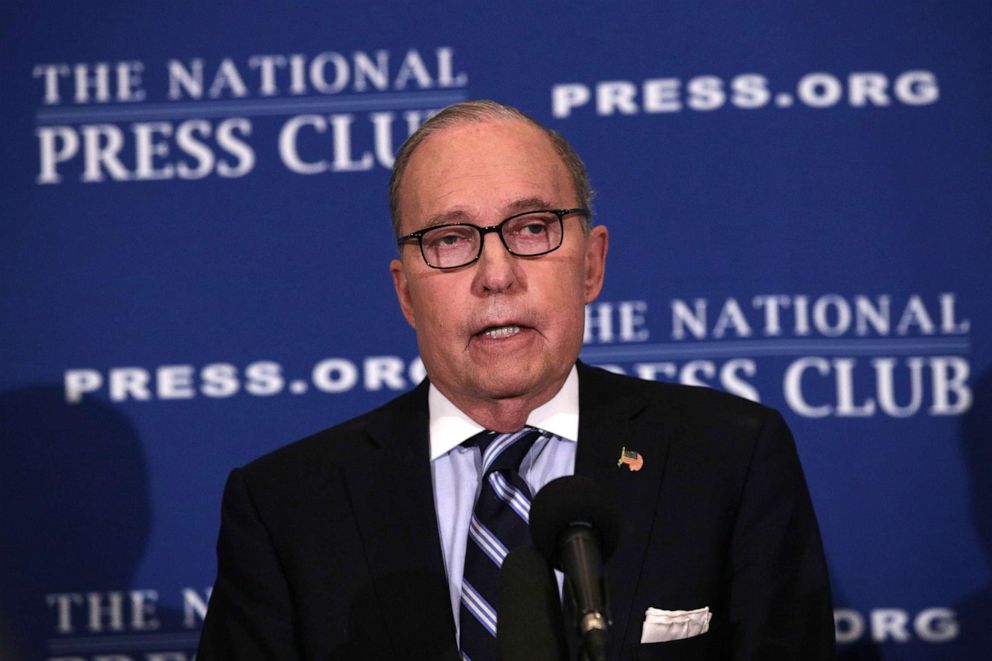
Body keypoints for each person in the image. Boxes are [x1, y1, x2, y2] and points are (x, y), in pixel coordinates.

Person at [197, 100, 835, 660]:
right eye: (450, 239)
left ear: (591, 265)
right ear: (406, 294)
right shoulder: (286, 508)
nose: (496, 274)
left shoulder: (729, 458)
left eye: (532, 229)